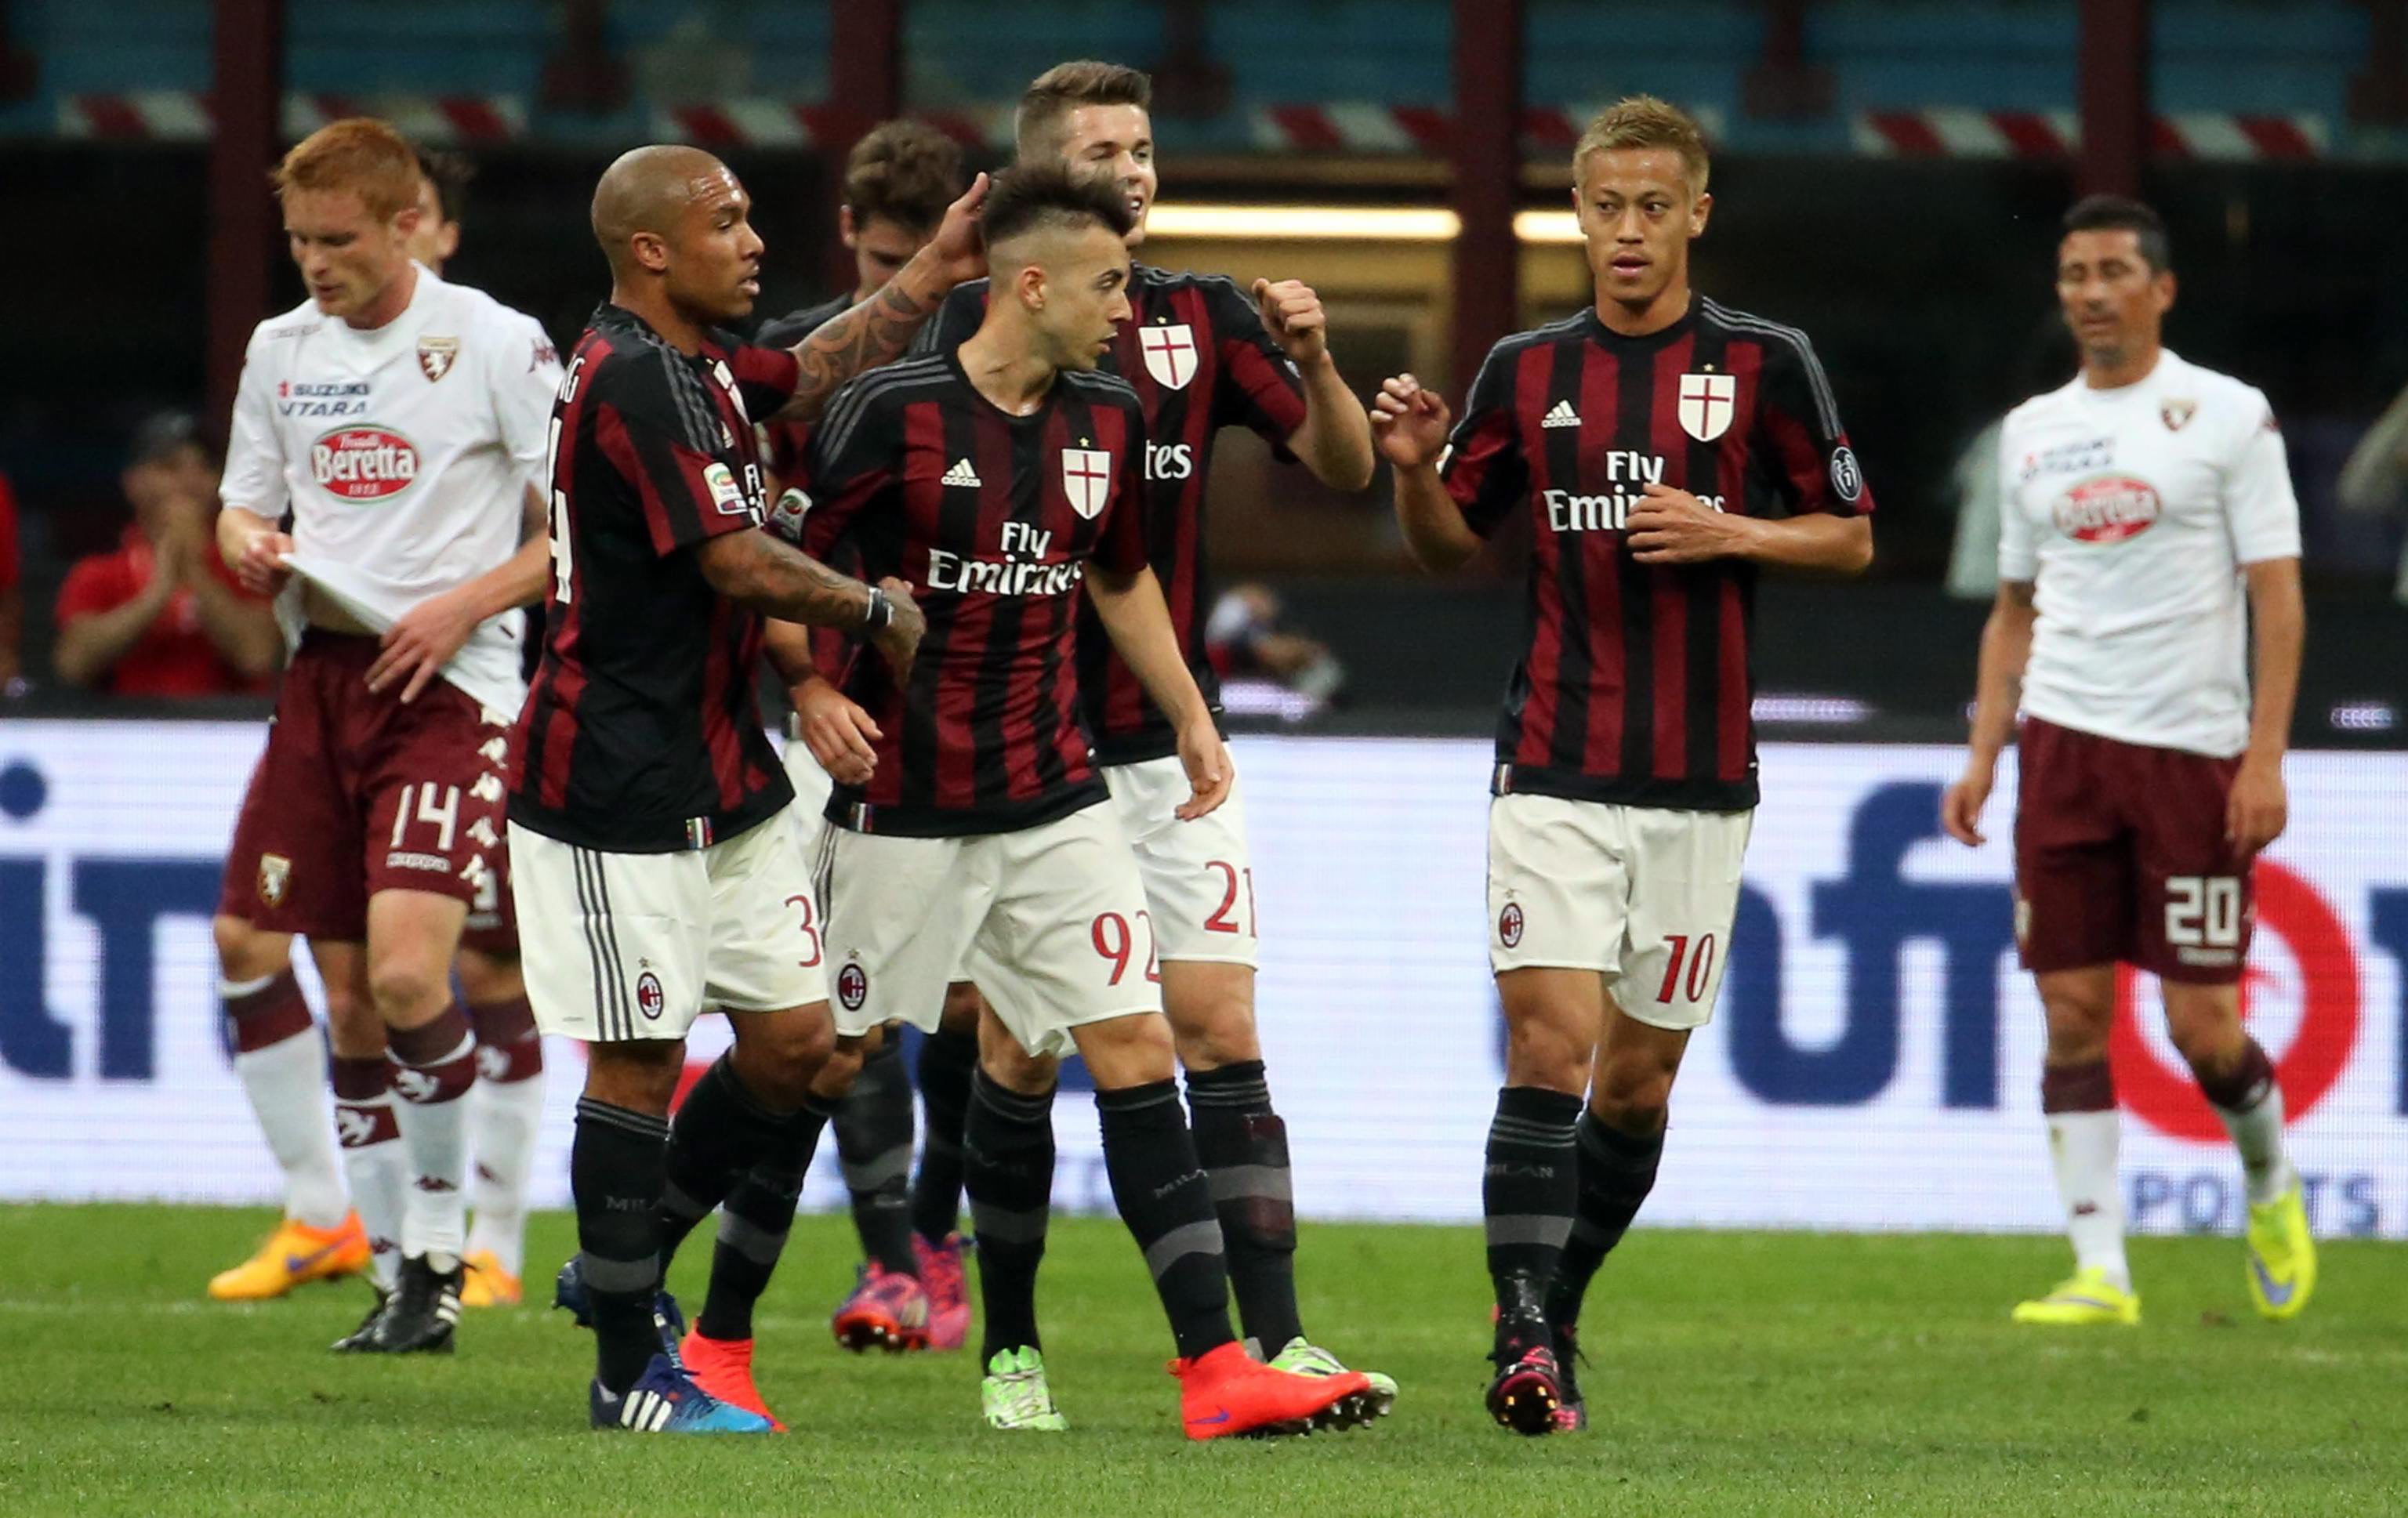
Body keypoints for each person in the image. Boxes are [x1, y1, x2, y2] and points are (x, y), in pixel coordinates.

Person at [792, 161, 1372, 1440]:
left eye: (1143, 152)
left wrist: (1191, 712)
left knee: (1182, 1030)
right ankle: (964, 1335)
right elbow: (793, 550)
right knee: (915, 1051)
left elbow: (1326, 475)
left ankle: (1247, 1351)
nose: (1133, 174)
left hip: (1105, 771)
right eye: (1102, 155)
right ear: (1033, 263)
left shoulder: (1172, 347)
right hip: (942, 772)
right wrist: (809, 680)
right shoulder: (921, 369)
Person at [1371, 96, 1875, 1434]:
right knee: (1550, 1044)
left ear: (1696, 213)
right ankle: (1520, 1337)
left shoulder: (1766, 362)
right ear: (1579, 215)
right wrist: (1413, 473)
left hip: (1701, 782)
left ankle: (1557, 1303)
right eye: (1608, 206)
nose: (1631, 230)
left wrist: (1732, 530)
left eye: (1656, 206)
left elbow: (1850, 535)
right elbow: (1445, 542)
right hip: (1551, 762)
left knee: (1636, 1088)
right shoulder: (1526, 370)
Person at [511, 141, 977, 1434]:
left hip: (721, 764)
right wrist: (873, 608)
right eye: (726, 222)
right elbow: (731, 557)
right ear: (652, 249)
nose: (755, 240)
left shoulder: (698, 362)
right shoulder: (636, 378)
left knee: (799, 1043)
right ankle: (626, 1368)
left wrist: (934, 270)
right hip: (614, 776)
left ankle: (621, 1268)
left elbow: (810, 369)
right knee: (640, 1057)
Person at [210, 118, 561, 1353]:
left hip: (451, 687)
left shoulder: (495, 340)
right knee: (341, 990)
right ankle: (388, 1267)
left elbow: (579, 523)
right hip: (323, 680)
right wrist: (249, 546)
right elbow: (241, 505)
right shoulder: (280, 348)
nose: (316, 262)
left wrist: (466, 602)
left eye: (339, 239)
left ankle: (449, 1248)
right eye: (301, 240)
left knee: (417, 975)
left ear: (409, 223)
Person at [1941, 195, 2314, 1327]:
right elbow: (2013, 607)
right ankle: (2100, 1270)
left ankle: (2269, 1178)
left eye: (2113, 271)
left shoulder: (2228, 415)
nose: (2092, 292)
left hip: (2192, 753)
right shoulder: (2032, 431)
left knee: (2202, 1028)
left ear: (2161, 288)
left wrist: (2265, 757)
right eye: (2074, 274)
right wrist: (1984, 752)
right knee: (2069, 1010)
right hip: (2062, 746)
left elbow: (2278, 596)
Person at [752, 118, 982, 1355]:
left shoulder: (994, 354)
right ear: (849, 233)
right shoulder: (797, 360)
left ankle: (934, 1231)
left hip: (984, 715)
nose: (912, 280)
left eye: (928, 256)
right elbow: (756, 544)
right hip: (837, 713)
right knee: (851, 992)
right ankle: (894, 1260)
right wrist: (803, 681)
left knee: (971, 1007)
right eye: (889, 258)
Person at [53, 413, 280, 697]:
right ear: (133, 482)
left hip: (228, 721)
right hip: (132, 721)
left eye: (205, 467)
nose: (190, 480)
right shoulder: (99, 573)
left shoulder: (247, 565)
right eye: (170, 467)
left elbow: (257, 656)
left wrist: (196, 572)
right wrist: (158, 592)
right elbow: (73, 665)